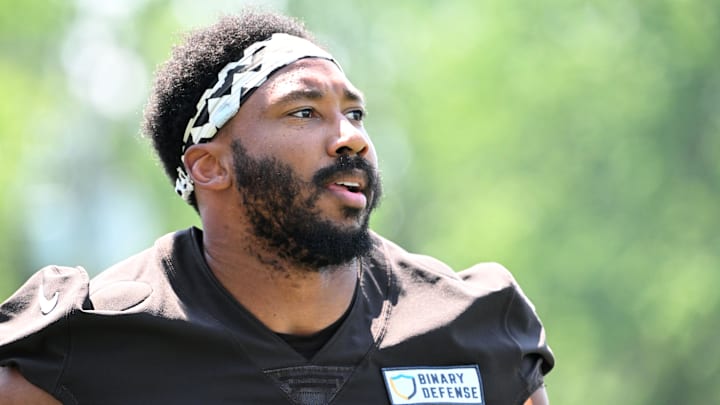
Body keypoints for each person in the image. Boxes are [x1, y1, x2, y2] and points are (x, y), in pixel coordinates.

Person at [0, 9, 554, 405]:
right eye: (304, 112)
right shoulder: (82, 348)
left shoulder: (478, 331)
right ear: (209, 167)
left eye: (355, 114)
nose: (351, 138)